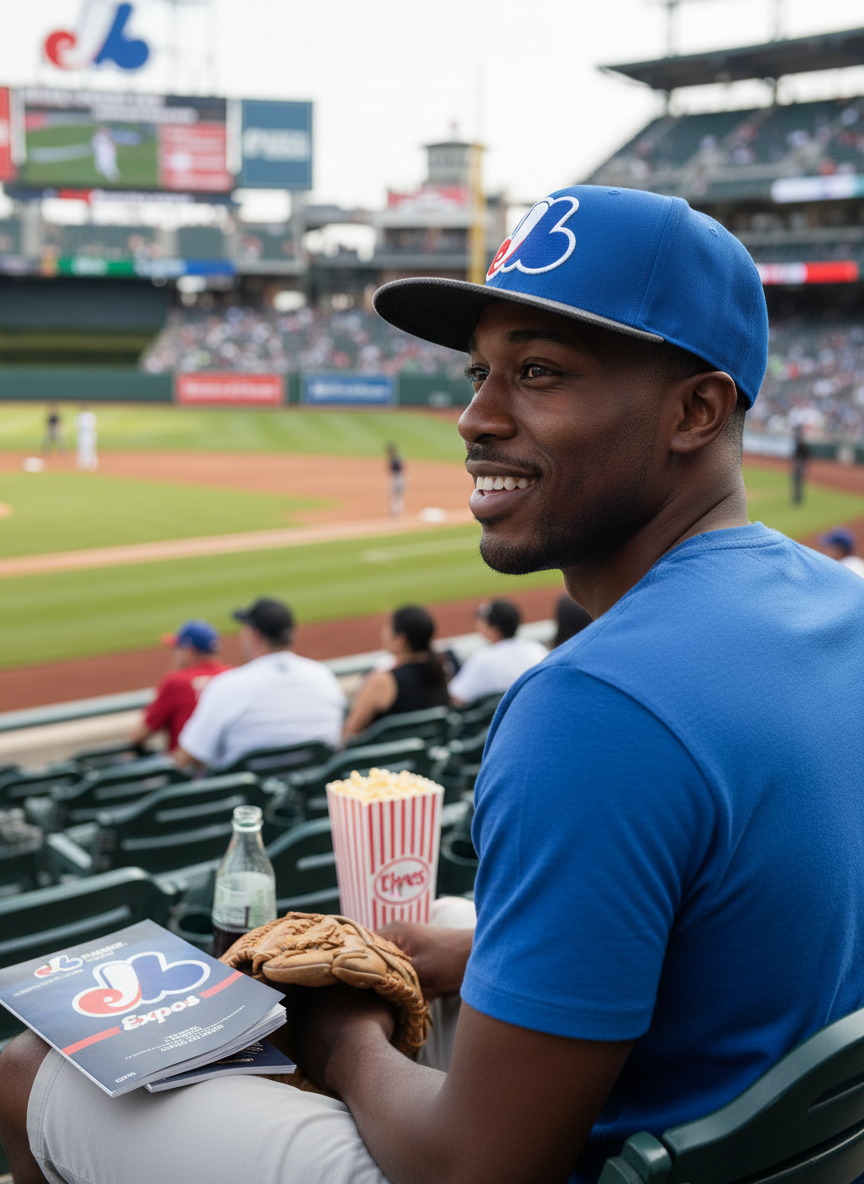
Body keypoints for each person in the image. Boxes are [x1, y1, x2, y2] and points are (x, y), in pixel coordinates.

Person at [5, 186, 864, 1184]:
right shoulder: (832, 600)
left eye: (538, 372)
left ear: (697, 411)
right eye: (479, 372)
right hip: (739, 1141)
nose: (474, 416)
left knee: (35, 1068)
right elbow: (735, 921)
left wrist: (339, 1038)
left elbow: (474, 1167)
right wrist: (473, 952)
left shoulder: (597, 704)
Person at [174, 597, 345, 772]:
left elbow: (186, 757)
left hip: (245, 798)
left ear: (255, 636)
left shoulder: (227, 686)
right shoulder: (323, 676)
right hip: (315, 791)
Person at [342, 605, 450, 739]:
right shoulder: (441, 669)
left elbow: (349, 734)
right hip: (434, 752)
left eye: (387, 627)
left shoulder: (382, 681)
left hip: (393, 757)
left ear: (400, 640)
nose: (383, 633)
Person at [129, 620, 230, 754]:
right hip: (230, 764)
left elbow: (139, 735)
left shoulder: (175, 682)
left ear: (189, 651)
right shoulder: (232, 676)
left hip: (185, 769)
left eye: (177, 649)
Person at [447, 598, 547, 705]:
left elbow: (456, 698)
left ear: (494, 629)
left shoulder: (482, 660)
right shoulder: (537, 650)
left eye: (483, 620)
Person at [75, 405, 98, 472]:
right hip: (82, 434)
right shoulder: (80, 416)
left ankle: (91, 465)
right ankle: (82, 465)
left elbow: (94, 425)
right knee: (81, 449)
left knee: (91, 449)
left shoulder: (91, 415)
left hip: (89, 433)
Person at [791, 426, 809, 504]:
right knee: (796, 483)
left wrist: (802, 466)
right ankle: (797, 497)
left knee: (798, 483)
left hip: (799, 465)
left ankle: (798, 498)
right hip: (798, 465)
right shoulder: (799, 444)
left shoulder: (801, 445)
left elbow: (805, 457)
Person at [386, 442, 405, 515]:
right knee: (399, 495)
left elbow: (390, 470)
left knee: (394, 495)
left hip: (396, 478)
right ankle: (400, 510)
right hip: (402, 477)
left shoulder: (393, 459)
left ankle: (394, 511)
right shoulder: (398, 457)